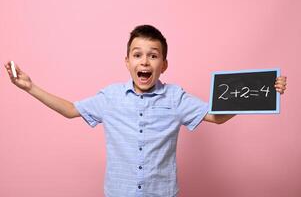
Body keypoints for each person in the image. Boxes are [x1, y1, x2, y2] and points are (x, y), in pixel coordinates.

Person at [5, 25, 287, 197]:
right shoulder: (111, 97)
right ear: (127, 61)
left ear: (163, 65)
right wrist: (31, 87)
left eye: (153, 55)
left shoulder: (175, 97)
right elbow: (70, 110)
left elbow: (216, 116)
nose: (145, 61)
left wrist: (258, 94)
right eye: (137, 54)